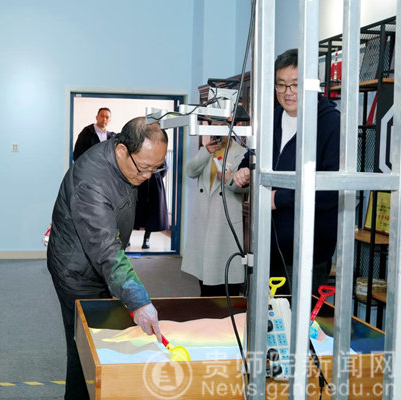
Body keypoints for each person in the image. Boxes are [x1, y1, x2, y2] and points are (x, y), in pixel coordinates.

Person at [48, 117, 167, 399]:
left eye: (156, 168)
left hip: (96, 261)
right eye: (144, 167)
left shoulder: (126, 160)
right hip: (77, 271)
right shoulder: (92, 180)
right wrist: (139, 301)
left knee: (102, 339)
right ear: (122, 150)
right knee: (84, 347)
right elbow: (106, 249)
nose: (148, 176)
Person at [233, 48, 340, 295]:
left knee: (299, 316)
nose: (288, 92)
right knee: (264, 312)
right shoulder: (271, 119)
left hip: (307, 251)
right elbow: (253, 158)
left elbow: (331, 191)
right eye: (281, 85)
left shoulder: (331, 124)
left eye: (295, 84)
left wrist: (278, 199)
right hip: (266, 244)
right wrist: (244, 170)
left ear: (313, 84)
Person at [181, 137, 247, 296]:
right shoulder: (206, 150)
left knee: (227, 276)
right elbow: (190, 171)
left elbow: (246, 187)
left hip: (225, 220)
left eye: (221, 125)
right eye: (214, 125)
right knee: (205, 275)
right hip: (204, 219)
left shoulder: (242, 153)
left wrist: (228, 179)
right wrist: (205, 151)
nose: (217, 131)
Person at [133, 163, 169, 249]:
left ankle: (146, 239)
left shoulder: (159, 156)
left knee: (152, 212)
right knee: (134, 212)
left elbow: (164, 168)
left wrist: (156, 176)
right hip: (139, 182)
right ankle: (127, 239)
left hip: (154, 184)